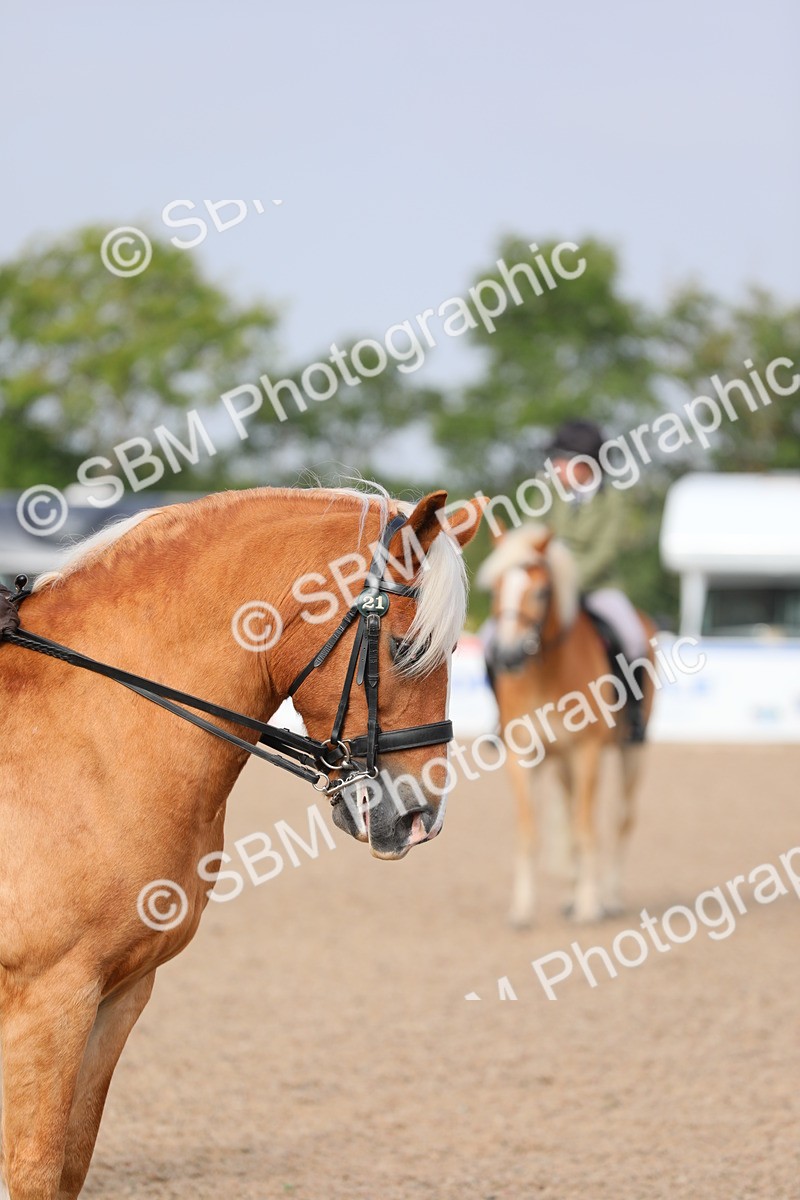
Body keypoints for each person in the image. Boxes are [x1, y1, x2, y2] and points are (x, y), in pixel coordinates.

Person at [544, 418, 648, 740]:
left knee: (633, 638)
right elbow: (533, 534)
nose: (555, 467)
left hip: (597, 586)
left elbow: (604, 553)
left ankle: (632, 717)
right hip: (547, 586)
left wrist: (568, 581)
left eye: (561, 460)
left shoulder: (613, 500)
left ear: (584, 464)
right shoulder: (549, 492)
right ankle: (502, 715)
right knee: (496, 637)